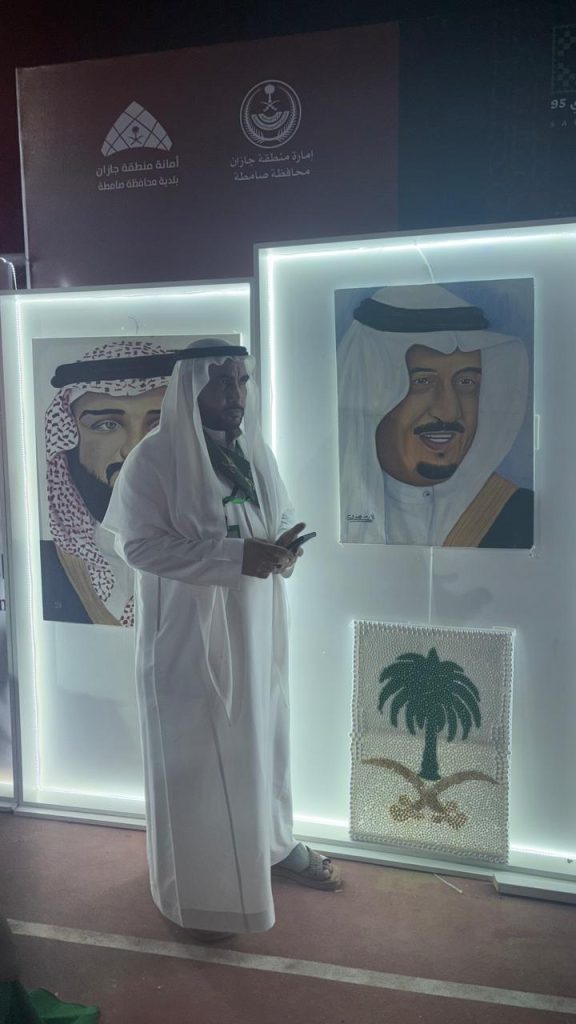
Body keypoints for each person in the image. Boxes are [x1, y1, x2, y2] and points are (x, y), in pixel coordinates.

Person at [102, 338, 341, 941]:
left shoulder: (254, 452)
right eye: (222, 382)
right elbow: (139, 547)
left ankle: (272, 846)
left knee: (265, 741)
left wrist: (283, 553)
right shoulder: (155, 459)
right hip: (189, 638)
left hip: (258, 626)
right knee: (197, 759)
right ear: (191, 388)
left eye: (242, 381)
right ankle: (200, 895)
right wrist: (235, 557)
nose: (236, 395)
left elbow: (277, 518)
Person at [337, 284, 533, 547]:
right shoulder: (327, 506)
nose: (449, 412)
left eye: (466, 382)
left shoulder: (515, 516)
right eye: (422, 382)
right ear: (373, 391)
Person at [41, 339, 170, 625]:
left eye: (157, 425)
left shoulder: (206, 552)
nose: (133, 448)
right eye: (107, 425)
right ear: (69, 439)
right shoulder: (45, 565)